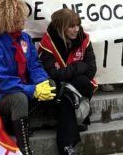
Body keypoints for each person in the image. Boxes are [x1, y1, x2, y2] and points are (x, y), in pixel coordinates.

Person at [0, 0, 57, 154]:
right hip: (1, 95)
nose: (24, 20)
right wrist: (32, 90)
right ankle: (24, 148)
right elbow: (1, 81)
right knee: (19, 99)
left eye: (22, 16)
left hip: (21, 87)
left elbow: (34, 65)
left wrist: (42, 82)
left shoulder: (25, 38)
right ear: (7, 20)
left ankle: (16, 124)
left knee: (51, 85)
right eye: (19, 18)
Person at [39, 8, 96, 151]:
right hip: (58, 88)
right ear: (61, 28)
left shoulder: (84, 39)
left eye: (78, 25)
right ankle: (67, 143)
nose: (76, 29)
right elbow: (53, 74)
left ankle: (66, 145)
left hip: (76, 85)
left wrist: (66, 71)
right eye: (71, 26)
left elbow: (91, 71)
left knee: (81, 83)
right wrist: (78, 66)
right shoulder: (48, 43)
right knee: (69, 93)